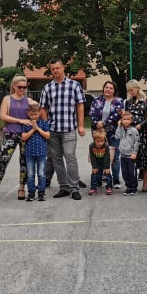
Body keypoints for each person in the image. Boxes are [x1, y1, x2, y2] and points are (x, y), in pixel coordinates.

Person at [40, 59, 86, 200]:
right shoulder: (47, 87)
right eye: (53, 69)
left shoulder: (74, 85)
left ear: (63, 68)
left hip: (69, 129)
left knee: (70, 157)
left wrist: (81, 125)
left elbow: (80, 106)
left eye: (57, 68)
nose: (55, 71)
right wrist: (46, 125)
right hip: (53, 130)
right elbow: (43, 108)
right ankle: (64, 187)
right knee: (57, 160)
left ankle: (74, 188)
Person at [0, 75, 30, 203]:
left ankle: (22, 188)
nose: (22, 89)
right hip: (10, 133)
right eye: (20, 87)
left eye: (24, 87)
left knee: (24, 162)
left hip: (25, 134)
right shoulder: (7, 99)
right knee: (3, 161)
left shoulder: (29, 100)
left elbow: (36, 113)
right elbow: (3, 116)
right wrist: (20, 120)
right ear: (14, 86)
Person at [89, 81, 125, 189]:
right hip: (98, 132)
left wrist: (104, 123)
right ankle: (99, 178)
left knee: (115, 157)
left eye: (111, 88)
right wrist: (97, 123)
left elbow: (116, 115)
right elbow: (92, 113)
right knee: (99, 155)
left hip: (113, 131)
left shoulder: (119, 101)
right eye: (106, 87)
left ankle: (116, 180)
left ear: (114, 90)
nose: (108, 89)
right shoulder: (97, 100)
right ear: (103, 88)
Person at [125, 80, 147, 193]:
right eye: (128, 91)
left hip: (142, 133)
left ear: (137, 88)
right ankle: (132, 181)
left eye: (131, 90)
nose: (130, 92)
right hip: (130, 133)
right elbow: (126, 115)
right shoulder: (128, 102)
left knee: (144, 156)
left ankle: (145, 181)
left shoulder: (146, 101)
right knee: (131, 156)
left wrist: (141, 125)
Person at [21, 100, 50, 201]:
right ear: (28, 113)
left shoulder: (44, 123)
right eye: (32, 114)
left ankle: (41, 192)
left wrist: (37, 128)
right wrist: (33, 129)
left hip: (41, 153)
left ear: (39, 113)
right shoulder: (26, 124)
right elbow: (23, 137)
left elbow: (47, 136)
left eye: (36, 114)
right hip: (29, 153)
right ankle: (31, 192)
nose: (34, 117)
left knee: (41, 173)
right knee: (30, 174)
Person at [115, 111, 140, 196]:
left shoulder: (134, 130)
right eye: (124, 119)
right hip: (123, 155)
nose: (126, 121)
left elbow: (136, 142)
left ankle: (134, 188)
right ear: (121, 120)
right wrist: (119, 126)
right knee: (124, 173)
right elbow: (117, 137)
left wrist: (134, 153)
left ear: (131, 120)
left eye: (128, 119)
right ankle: (128, 187)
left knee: (131, 172)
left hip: (131, 156)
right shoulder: (121, 129)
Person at [88, 130, 113, 195]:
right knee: (94, 173)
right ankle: (93, 188)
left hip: (104, 160)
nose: (100, 143)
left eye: (102, 141)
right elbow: (92, 157)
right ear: (94, 140)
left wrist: (106, 167)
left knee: (107, 173)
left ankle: (109, 187)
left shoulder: (106, 146)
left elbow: (107, 157)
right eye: (98, 141)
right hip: (96, 161)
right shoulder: (91, 146)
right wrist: (94, 166)